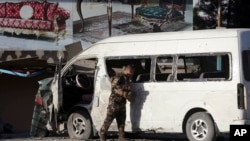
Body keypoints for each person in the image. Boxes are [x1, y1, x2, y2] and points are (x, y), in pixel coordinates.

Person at [99, 64, 135, 141]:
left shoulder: (127, 78)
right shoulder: (119, 76)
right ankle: (102, 134)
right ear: (129, 70)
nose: (133, 74)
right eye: (132, 72)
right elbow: (113, 85)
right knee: (108, 120)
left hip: (122, 103)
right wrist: (126, 88)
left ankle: (121, 136)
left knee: (121, 121)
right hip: (114, 103)